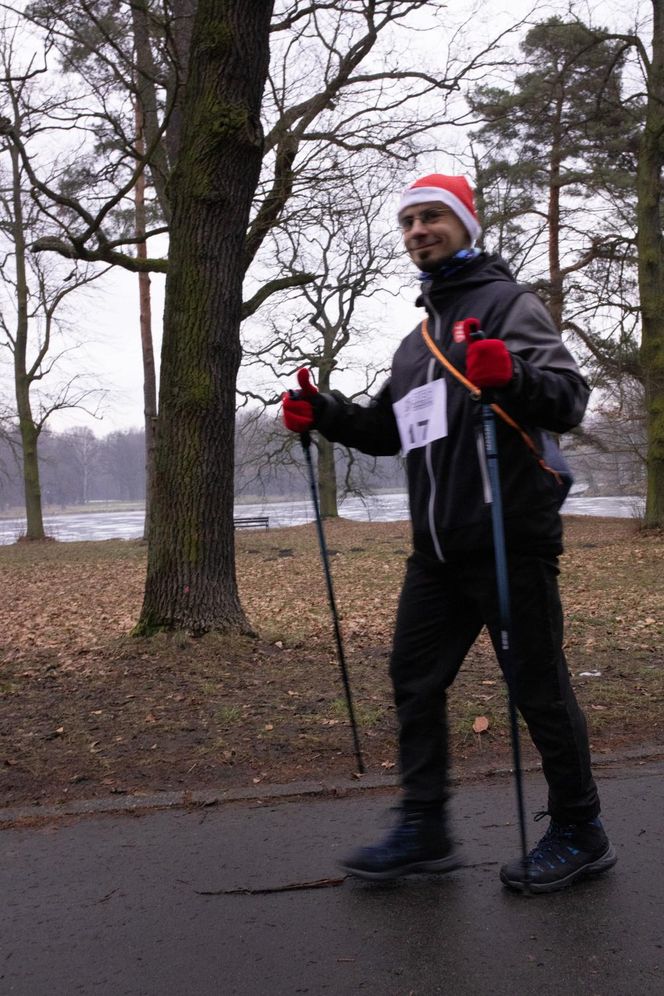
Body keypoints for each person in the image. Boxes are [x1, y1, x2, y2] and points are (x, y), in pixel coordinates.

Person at [281, 173, 617, 894]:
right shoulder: (416, 343)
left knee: (537, 688)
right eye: (406, 222)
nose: (417, 232)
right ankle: (425, 827)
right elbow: (387, 433)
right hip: (436, 551)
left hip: (508, 537)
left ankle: (580, 830)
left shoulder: (507, 305)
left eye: (431, 217)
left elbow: (568, 399)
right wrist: (325, 414)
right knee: (413, 678)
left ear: (465, 224)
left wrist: (514, 376)